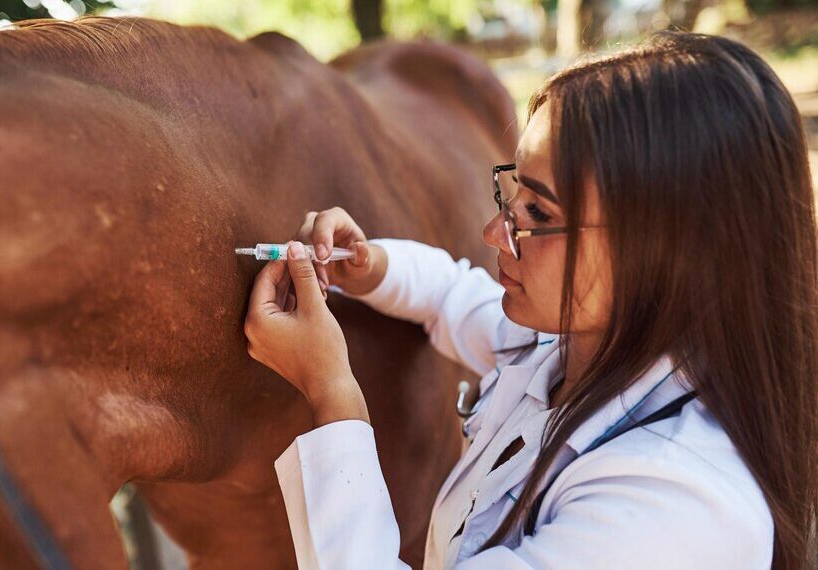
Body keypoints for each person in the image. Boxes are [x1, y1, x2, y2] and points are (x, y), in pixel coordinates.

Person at [243, 32, 816, 569]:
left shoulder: (672, 509)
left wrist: (331, 393)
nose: (495, 233)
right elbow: (454, 295)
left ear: (672, 250)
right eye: (512, 194)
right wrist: (368, 267)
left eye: (537, 213)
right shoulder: (583, 345)